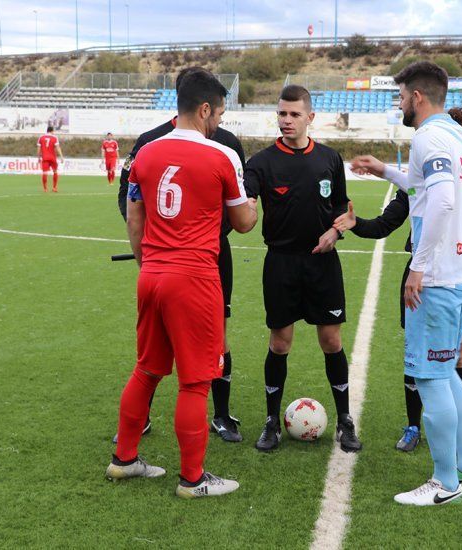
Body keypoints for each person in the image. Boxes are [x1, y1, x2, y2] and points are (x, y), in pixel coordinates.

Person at [105, 71, 258, 498]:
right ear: (205, 108)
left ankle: (125, 460)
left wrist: (148, 262)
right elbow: (244, 223)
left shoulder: (146, 153)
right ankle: (192, 479)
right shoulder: (221, 155)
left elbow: (134, 218)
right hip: (194, 277)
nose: (219, 122)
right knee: (195, 381)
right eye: (220, 113)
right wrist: (254, 205)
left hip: (151, 273)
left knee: (148, 368)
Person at [353, 61, 462, 505]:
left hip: (441, 279)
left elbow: (444, 200)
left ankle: (446, 483)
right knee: (448, 376)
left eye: (402, 96)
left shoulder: (429, 135)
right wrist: (384, 172)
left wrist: (419, 267)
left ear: (418, 97)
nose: (400, 104)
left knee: (430, 378)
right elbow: (423, 186)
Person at [337, 107, 462, 453]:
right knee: (417, 354)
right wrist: (356, 223)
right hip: (426, 279)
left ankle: (453, 437)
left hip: (451, 281)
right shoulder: (422, 185)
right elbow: (385, 223)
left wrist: (459, 273)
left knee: (460, 356)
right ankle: (414, 426)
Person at [244, 85, 361, 453]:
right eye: (282, 114)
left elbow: (343, 213)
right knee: (280, 343)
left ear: (310, 117)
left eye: (294, 114)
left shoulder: (329, 158)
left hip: (322, 264)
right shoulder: (261, 163)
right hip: (280, 264)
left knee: (332, 341)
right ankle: (270, 423)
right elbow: (244, 203)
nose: (287, 121)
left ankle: (344, 420)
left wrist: (334, 232)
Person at [37, 125, 64, 192]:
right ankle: (54, 188)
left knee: (45, 173)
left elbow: (38, 148)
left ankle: (45, 189)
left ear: (47, 130)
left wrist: (38, 157)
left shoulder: (41, 137)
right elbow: (57, 148)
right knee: (55, 172)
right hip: (52, 158)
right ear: (52, 131)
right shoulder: (54, 138)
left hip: (45, 158)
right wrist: (61, 156)